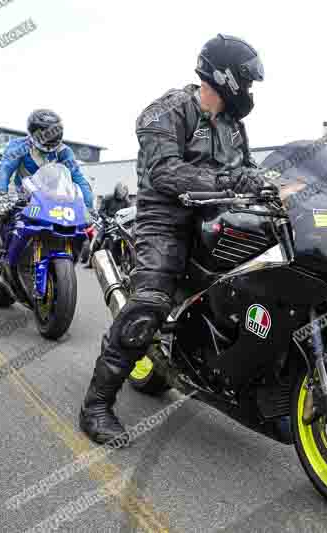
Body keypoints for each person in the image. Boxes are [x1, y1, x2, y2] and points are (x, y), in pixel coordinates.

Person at [79, 34, 269, 446]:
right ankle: (96, 404)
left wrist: (269, 183)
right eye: (246, 82)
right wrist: (231, 179)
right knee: (149, 306)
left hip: (220, 218)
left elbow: (248, 171)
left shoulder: (235, 128)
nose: (249, 92)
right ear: (225, 77)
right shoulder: (167, 110)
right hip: (166, 219)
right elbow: (163, 172)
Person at [0, 109, 95, 277]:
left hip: (52, 198)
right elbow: (4, 169)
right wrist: (0, 194)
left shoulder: (64, 152)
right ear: (32, 132)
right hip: (19, 194)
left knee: (78, 226)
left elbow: (78, 178)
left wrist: (89, 206)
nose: (49, 139)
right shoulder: (19, 147)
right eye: (43, 134)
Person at [82, 182, 133, 268]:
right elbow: (101, 211)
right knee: (97, 241)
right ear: (116, 191)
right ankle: (90, 262)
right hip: (107, 224)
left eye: (123, 194)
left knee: (130, 240)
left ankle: (131, 262)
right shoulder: (108, 198)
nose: (121, 196)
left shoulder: (127, 202)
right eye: (120, 193)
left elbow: (130, 214)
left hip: (121, 224)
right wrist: (108, 218)